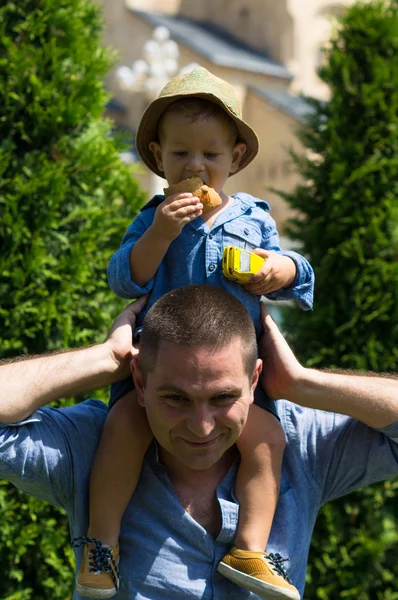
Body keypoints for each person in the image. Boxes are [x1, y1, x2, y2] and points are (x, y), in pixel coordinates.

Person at [0, 284, 397, 600]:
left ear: (255, 379)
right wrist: (103, 359)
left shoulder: (299, 443)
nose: (202, 427)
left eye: (224, 398)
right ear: (139, 382)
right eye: (176, 399)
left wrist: (303, 383)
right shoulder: (91, 443)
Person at [82, 66, 314, 599]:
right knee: (120, 430)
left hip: (231, 377)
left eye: (210, 155)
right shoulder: (152, 217)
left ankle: (248, 550)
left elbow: (296, 273)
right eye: (181, 154)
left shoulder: (254, 217)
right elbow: (125, 277)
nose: (196, 167)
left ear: (234, 158)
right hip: (161, 374)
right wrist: (163, 230)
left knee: (267, 438)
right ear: (159, 158)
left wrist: (276, 272)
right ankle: (102, 546)